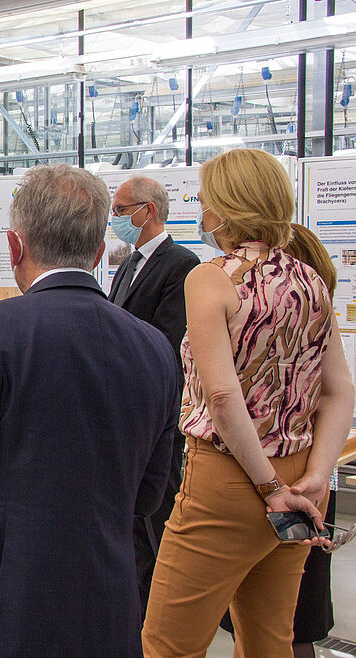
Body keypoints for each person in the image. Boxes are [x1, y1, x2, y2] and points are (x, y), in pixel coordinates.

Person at [0, 164, 179, 657]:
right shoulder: (157, 348)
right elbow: (149, 494)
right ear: (100, 254)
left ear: (15, 246)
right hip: (106, 603)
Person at [142, 149, 354, 657]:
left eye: (207, 199)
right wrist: (314, 480)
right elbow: (339, 389)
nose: (202, 209)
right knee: (269, 638)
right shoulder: (311, 281)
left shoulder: (211, 277)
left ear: (228, 206)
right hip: (303, 475)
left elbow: (221, 395)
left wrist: (268, 486)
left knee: (168, 642)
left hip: (230, 478)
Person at [218, 223, 342, 658]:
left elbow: (221, 401)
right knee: (275, 625)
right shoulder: (305, 324)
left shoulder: (301, 325)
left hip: (274, 483)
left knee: (281, 626)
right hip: (303, 483)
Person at [107, 175, 200, 615]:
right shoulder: (126, 264)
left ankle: (168, 608)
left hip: (155, 413)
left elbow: (168, 343)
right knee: (132, 519)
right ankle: (138, 605)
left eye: (122, 211)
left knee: (159, 513)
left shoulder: (181, 263)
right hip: (124, 411)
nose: (116, 219)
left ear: (150, 210)